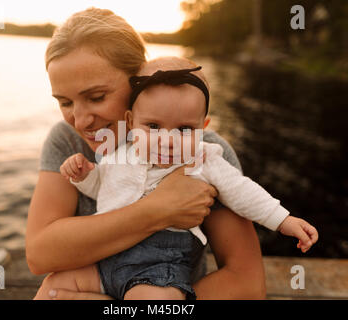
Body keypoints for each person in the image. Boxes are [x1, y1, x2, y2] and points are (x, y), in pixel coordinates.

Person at [27, 7, 267, 300]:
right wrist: (158, 209)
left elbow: (247, 283)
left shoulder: (202, 153)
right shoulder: (67, 142)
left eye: (96, 97)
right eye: (65, 102)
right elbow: (40, 255)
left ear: (139, 83)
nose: (80, 120)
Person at [58, 57, 319, 300]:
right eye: (153, 126)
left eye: (184, 129)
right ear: (131, 121)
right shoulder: (119, 154)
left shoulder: (203, 159)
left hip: (158, 267)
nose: (167, 140)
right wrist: (84, 177)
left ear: (203, 128)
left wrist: (283, 220)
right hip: (106, 259)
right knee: (55, 288)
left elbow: (241, 191)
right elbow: (103, 190)